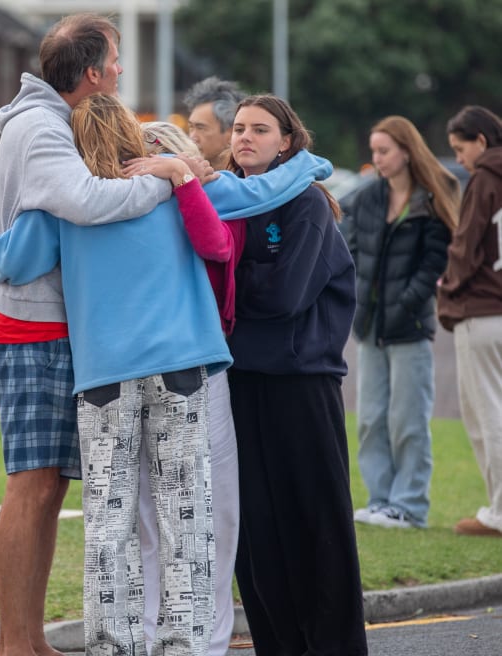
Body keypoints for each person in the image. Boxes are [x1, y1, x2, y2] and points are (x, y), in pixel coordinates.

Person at [0, 92, 333, 656]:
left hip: (103, 374)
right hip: (181, 366)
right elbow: (239, 214)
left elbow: (17, 261)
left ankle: (113, 646)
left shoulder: (66, 203)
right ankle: (185, 646)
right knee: (185, 516)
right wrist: (308, 164)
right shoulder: (173, 186)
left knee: (111, 522)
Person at [0, 14, 209, 656]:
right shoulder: (41, 127)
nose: (120, 71)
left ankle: (30, 640)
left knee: (49, 485)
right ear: (91, 72)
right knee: (33, 482)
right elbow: (88, 201)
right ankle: (15, 644)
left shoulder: (50, 121)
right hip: (34, 325)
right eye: (114, 61)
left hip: (53, 323)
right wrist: (167, 177)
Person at [225, 95, 368, 656]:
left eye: (260, 129)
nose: (245, 136)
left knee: (316, 525)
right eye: (239, 128)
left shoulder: (306, 203)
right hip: (240, 381)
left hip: (301, 383)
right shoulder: (226, 200)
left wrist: (229, 283)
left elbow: (286, 294)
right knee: (257, 530)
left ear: (286, 141)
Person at [136, 121, 244, 656]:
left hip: (201, 362)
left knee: (212, 506)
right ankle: (152, 633)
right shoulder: (127, 205)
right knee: (146, 513)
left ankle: (209, 639)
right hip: (143, 368)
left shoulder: (213, 196)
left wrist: (183, 178)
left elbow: (216, 246)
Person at [342, 116, 458, 530]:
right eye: (374, 150)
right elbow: (350, 249)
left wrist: (408, 302)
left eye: (384, 151)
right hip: (370, 326)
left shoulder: (430, 202)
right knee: (371, 418)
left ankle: (409, 507)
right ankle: (380, 502)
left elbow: (434, 264)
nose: (377, 158)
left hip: (410, 327)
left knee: (408, 420)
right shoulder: (366, 198)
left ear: (406, 152)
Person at [439, 105, 502, 538]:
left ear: (481, 141)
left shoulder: (485, 177)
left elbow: (466, 246)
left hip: (482, 311)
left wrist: (447, 291)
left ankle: (498, 512)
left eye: (460, 150)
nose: (460, 160)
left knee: (487, 417)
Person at [184, 77, 247, 170]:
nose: (192, 138)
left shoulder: (250, 175)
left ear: (231, 134)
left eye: (201, 128)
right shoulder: (181, 172)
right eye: (191, 127)